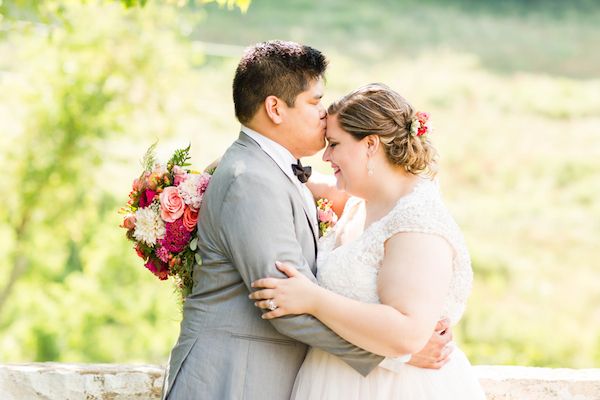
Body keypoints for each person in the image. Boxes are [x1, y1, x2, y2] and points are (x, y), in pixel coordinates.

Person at [162, 42, 452, 400]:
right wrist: (395, 353)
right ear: (275, 108)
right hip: (234, 378)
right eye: (315, 102)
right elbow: (283, 304)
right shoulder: (251, 179)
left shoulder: (266, 168)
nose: (323, 114)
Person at [249, 83, 486, 399]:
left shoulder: (417, 222)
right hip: (332, 381)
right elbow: (272, 174)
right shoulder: (359, 200)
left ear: (371, 145)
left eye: (334, 144)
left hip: (393, 389)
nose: (326, 155)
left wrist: (313, 299)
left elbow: (407, 333)